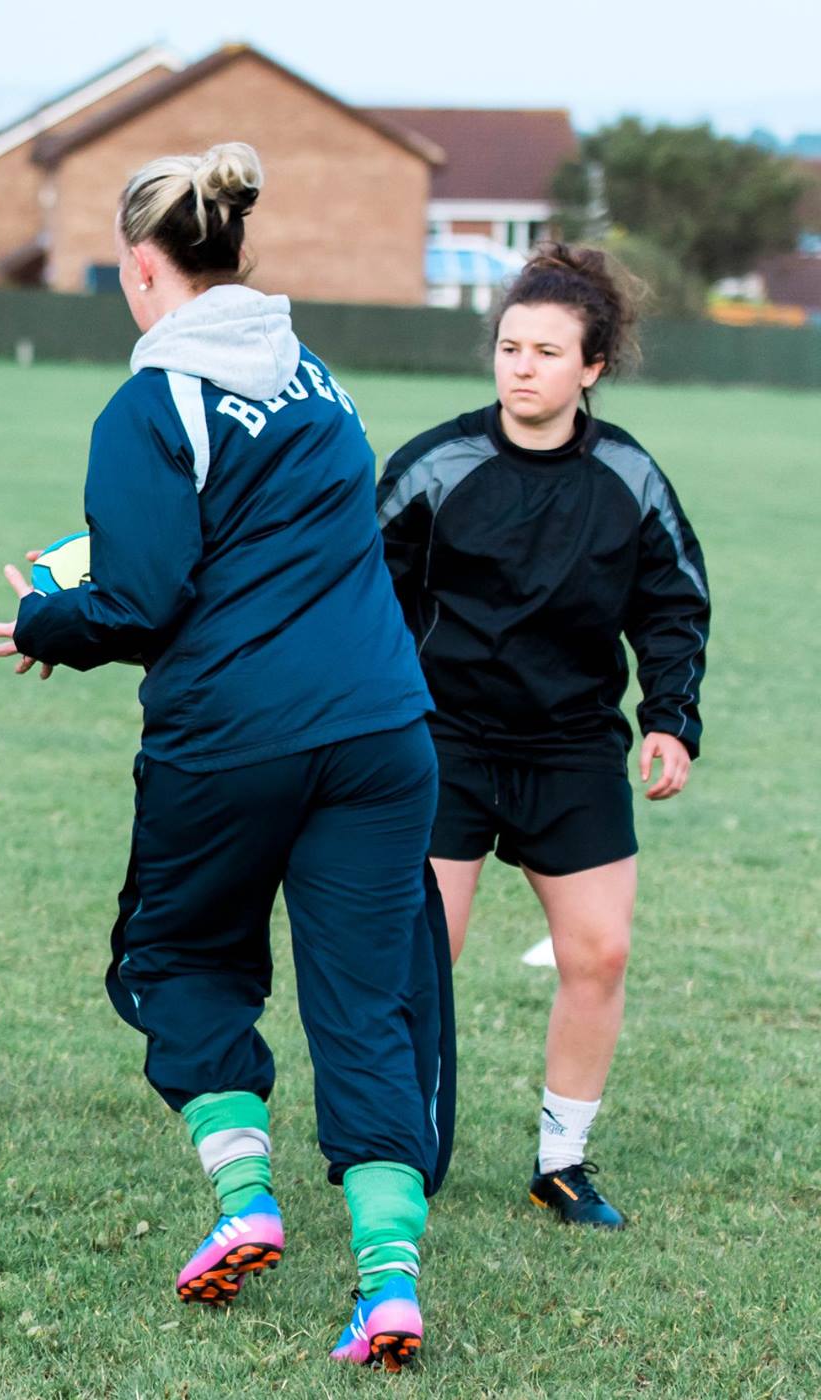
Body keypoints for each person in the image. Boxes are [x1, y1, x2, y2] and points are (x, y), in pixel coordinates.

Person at [0, 144, 454, 1371]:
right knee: (364, 1005)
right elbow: (255, 533)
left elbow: (137, 597)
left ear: (142, 268)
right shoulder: (316, 378)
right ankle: (387, 1285)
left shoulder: (148, 401)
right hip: (382, 730)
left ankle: (245, 1199)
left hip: (234, 739)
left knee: (175, 957)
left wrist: (44, 618)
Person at [378, 245, 708, 1231]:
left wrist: (669, 720)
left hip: (569, 746)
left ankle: (558, 1160)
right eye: (508, 346)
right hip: (443, 741)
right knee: (419, 955)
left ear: (590, 366)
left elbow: (672, 601)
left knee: (598, 952)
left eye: (546, 351)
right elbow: (367, 597)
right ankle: (403, 1144)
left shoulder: (627, 476)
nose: (520, 366)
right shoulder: (433, 466)